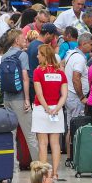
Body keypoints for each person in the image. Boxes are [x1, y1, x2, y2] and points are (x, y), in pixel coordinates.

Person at [31, 44, 68, 176]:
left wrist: (47, 108)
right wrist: (57, 108)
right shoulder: (60, 73)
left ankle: (44, 172)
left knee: (42, 143)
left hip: (42, 109)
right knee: (55, 143)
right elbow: (64, 95)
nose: (37, 56)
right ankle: (55, 172)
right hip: (56, 110)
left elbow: (39, 94)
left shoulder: (38, 72)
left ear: (44, 56)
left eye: (39, 54)